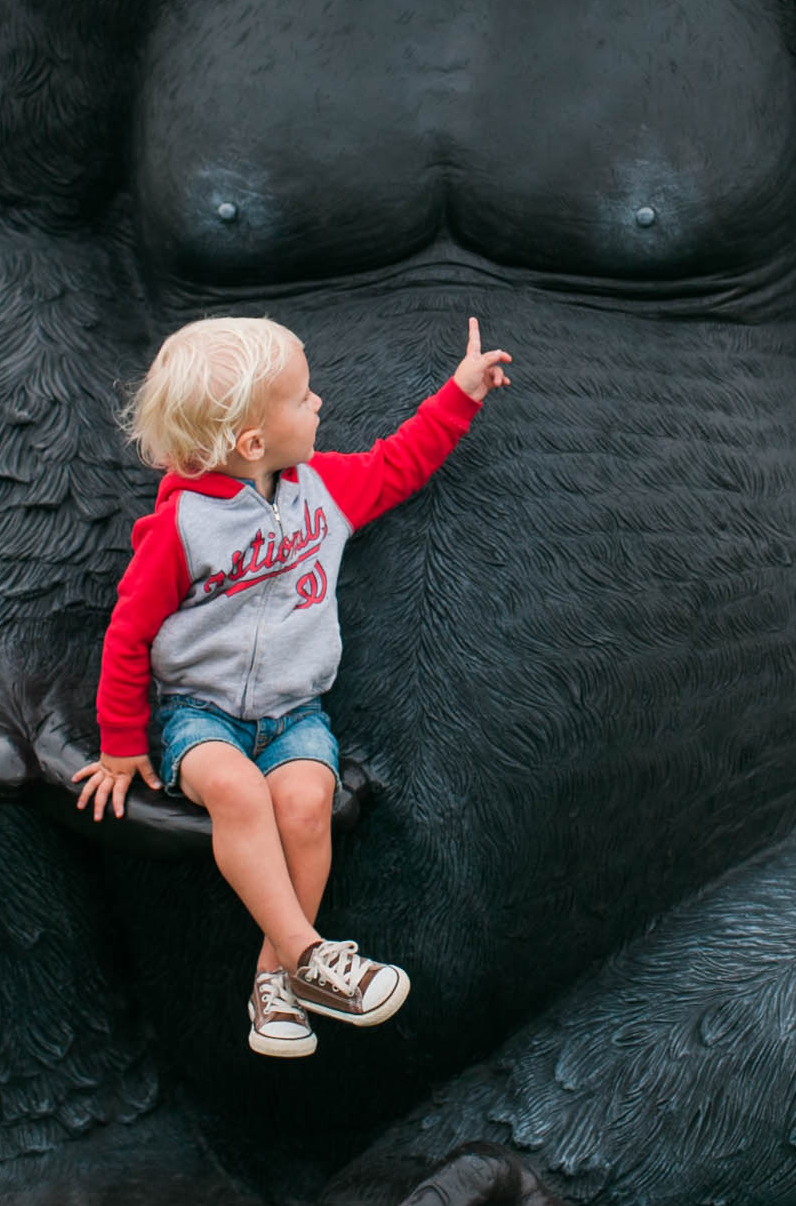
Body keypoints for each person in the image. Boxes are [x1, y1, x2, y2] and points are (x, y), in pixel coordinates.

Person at [73, 314, 511, 1057]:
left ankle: (274, 981)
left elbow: (400, 462)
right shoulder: (182, 528)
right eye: (302, 398)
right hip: (200, 715)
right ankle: (311, 956)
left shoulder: (324, 490)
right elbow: (127, 635)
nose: (318, 404)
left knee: (309, 803)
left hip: (295, 714)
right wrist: (120, 743)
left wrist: (460, 394)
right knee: (238, 791)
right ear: (251, 442)